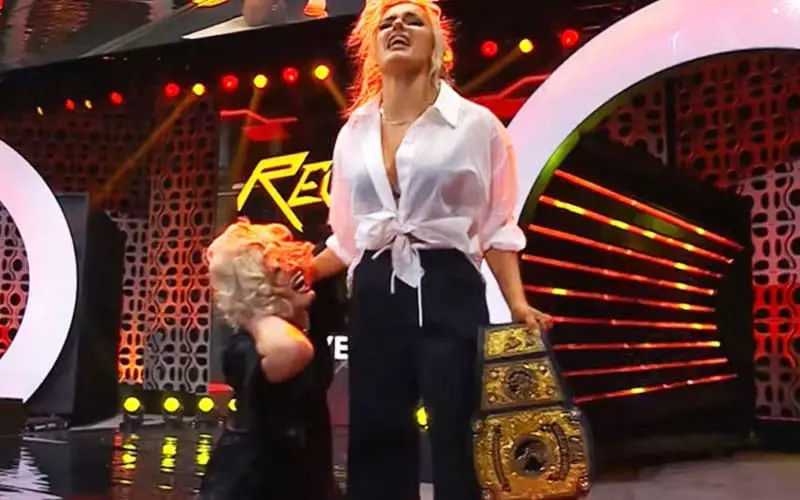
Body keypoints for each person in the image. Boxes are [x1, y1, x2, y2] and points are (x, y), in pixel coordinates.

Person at [310, 1, 554, 499]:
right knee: (376, 427)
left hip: (447, 282)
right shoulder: (353, 131)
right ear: (372, 46)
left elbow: (495, 225)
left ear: (438, 43)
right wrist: (300, 270)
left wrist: (517, 302)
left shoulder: (475, 125)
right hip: (376, 284)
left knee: (457, 423)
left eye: (412, 20)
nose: (397, 27)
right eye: (386, 22)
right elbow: (348, 238)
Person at [200, 219, 340, 500]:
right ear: (259, 287)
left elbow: (346, 248)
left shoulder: (302, 329)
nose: (296, 270)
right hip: (251, 486)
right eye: (279, 269)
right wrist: (255, 311)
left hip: (302, 480)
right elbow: (293, 350)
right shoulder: (247, 347)